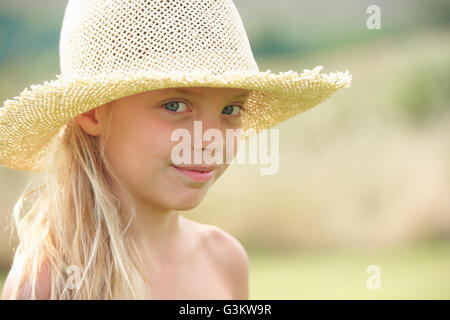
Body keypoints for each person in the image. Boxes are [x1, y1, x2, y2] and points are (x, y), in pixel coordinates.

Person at [0, 0, 351, 299]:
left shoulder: (226, 260)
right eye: (174, 105)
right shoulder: (49, 282)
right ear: (92, 112)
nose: (211, 139)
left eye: (231, 110)